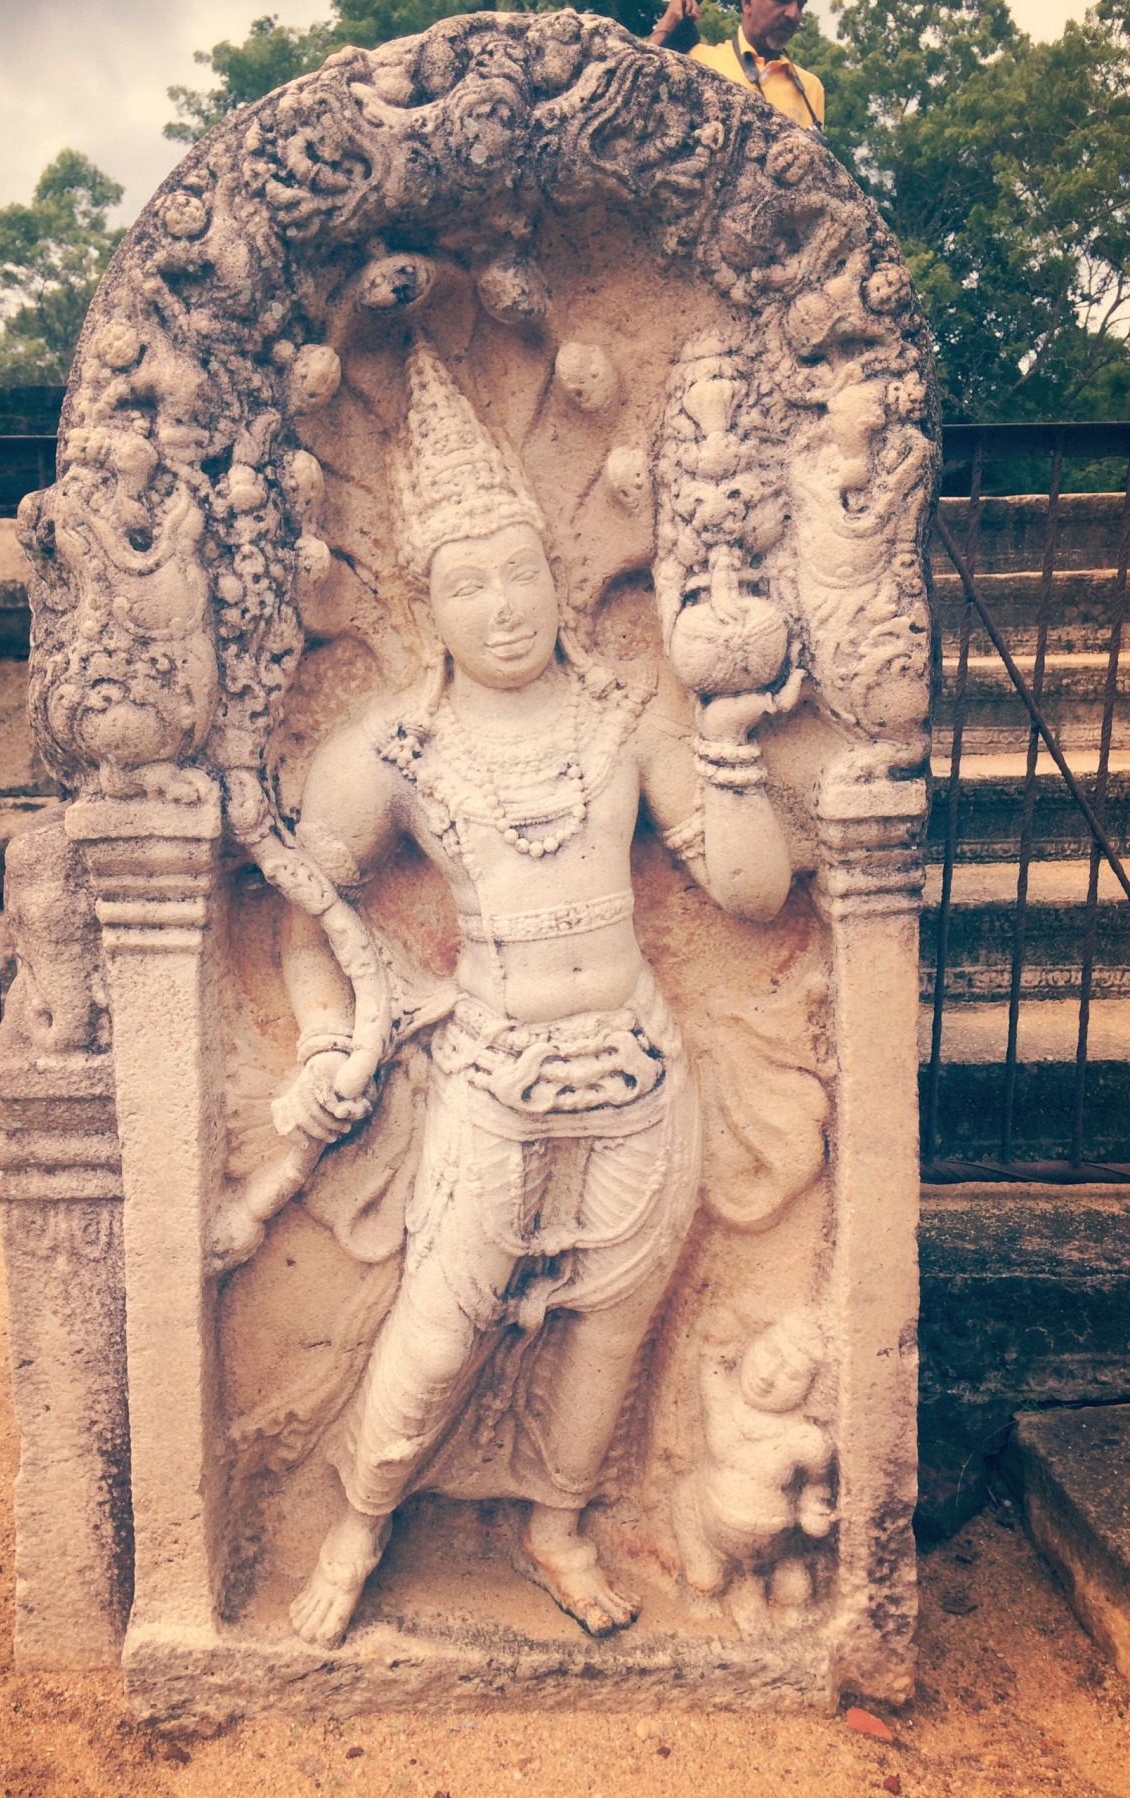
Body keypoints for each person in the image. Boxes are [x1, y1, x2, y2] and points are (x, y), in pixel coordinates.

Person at [279, 340, 800, 1651]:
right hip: (495, 1071)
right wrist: (327, 1029)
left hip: (635, 1064)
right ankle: (359, 1516)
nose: (502, 605)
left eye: (518, 571)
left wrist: (729, 742)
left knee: (609, 1326)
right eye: (468, 583)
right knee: (443, 1322)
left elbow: (751, 892)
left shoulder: (627, 712)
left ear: (552, 575)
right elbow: (302, 899)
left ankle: (558, 1524)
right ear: (426, 598)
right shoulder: (392, 746)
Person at [649, 0, 826, 136]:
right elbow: (639, 91)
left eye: (801, 5)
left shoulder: (811, 88)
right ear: (747, 3)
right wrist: (669, 20)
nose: (793, 14)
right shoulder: (698, 58)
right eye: (782, 0)